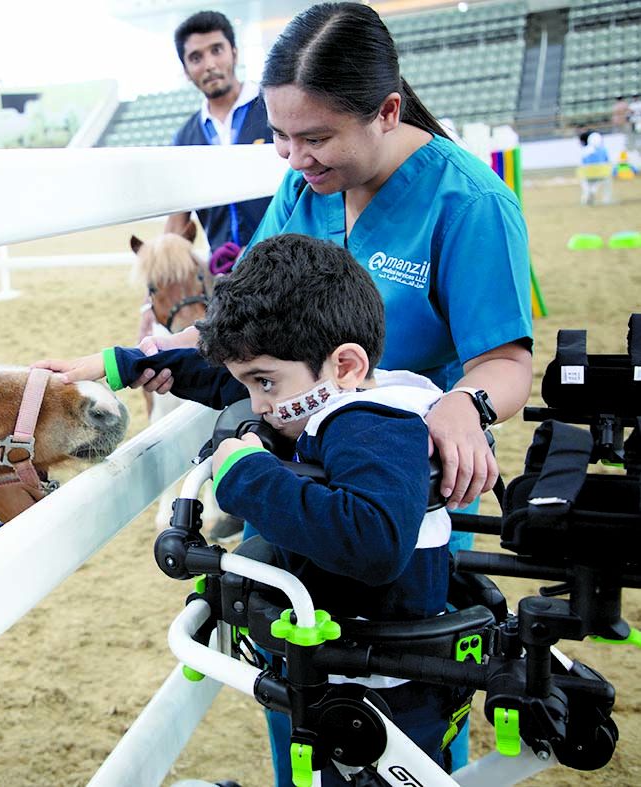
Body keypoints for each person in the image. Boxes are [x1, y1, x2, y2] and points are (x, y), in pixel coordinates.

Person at [42, 2, 534, 769]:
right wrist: (122, 359)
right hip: (297, 476)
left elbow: (504, 359)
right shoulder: (305, 188)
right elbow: (247, 323)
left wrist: (460, 403)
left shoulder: (467, 204)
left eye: (314, 137)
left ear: (387, 112)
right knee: (297, 674)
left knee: (407, 690)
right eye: (278, 134)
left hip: (400, 479)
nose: (292, 155)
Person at [108, 234, 461, 784]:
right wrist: (127, 364)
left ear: (346, 365)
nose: (257, 405)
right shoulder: (337, 394)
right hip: (354, 681)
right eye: (250, 385)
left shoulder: (370, 424)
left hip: (378, 701)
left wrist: (246, 476)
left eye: (264, 384)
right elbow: (234, 375)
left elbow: (373, 541)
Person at [166, 10, 273, 274]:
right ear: (186, 70)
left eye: (217, 50)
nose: (209, 64)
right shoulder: (184, 139)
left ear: (234, 52)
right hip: (225, 277)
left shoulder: (274, 109)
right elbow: (176, 224)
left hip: (285, 266)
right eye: (196, 57)